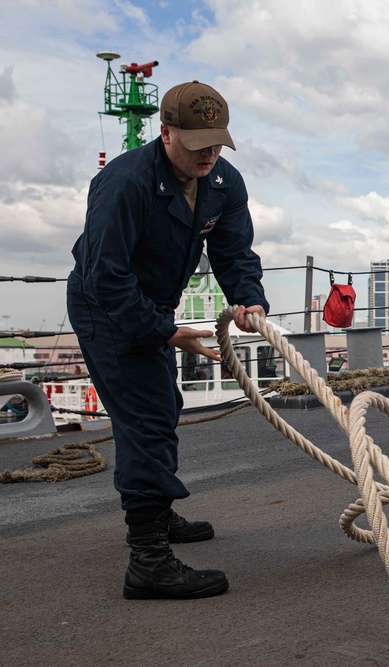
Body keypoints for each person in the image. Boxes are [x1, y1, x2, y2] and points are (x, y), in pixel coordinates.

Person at [67, 81, 269, 599]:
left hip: (151, 304)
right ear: (166, 132)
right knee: (146, 417)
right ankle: (148, 560)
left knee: (162, 404)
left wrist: (250, 299)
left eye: (218, 142)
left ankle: (156, 514)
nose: (209, 153)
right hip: (104, 306)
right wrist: (168, 332)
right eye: (198, 141)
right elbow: (104, 279)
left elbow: (233, 252)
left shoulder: (223, 181)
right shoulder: (124, 183)